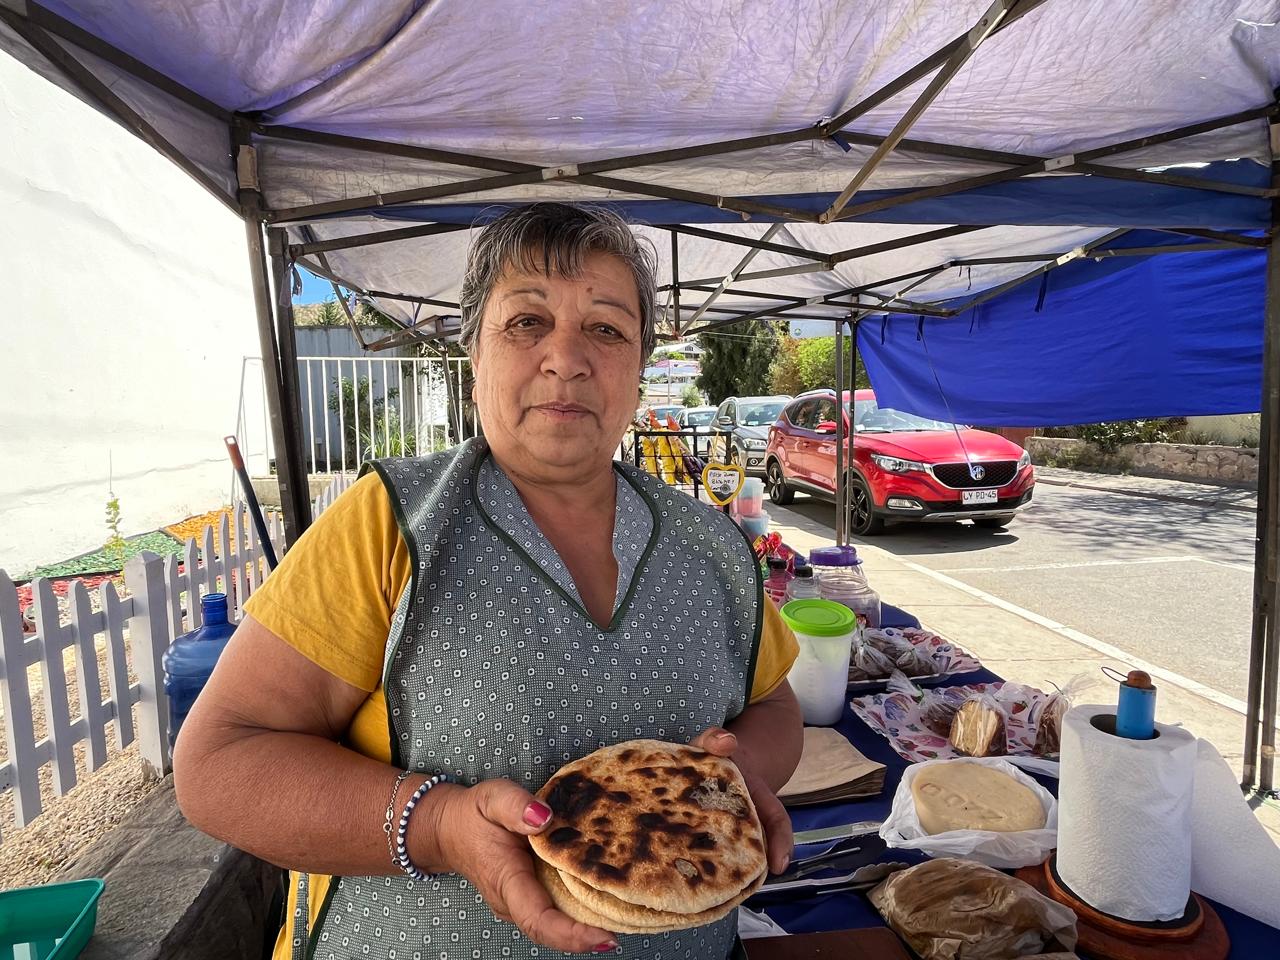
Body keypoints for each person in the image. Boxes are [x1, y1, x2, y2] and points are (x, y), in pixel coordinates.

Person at [174, 202, 803, 960]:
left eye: (606, 328)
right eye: (526, 322)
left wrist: (730, 782)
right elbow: (218, 762)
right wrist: (438, 826)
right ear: (474, 353)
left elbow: (773, 705)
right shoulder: (390, 524)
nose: (566, 357)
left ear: (640, 367)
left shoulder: (710, 545)